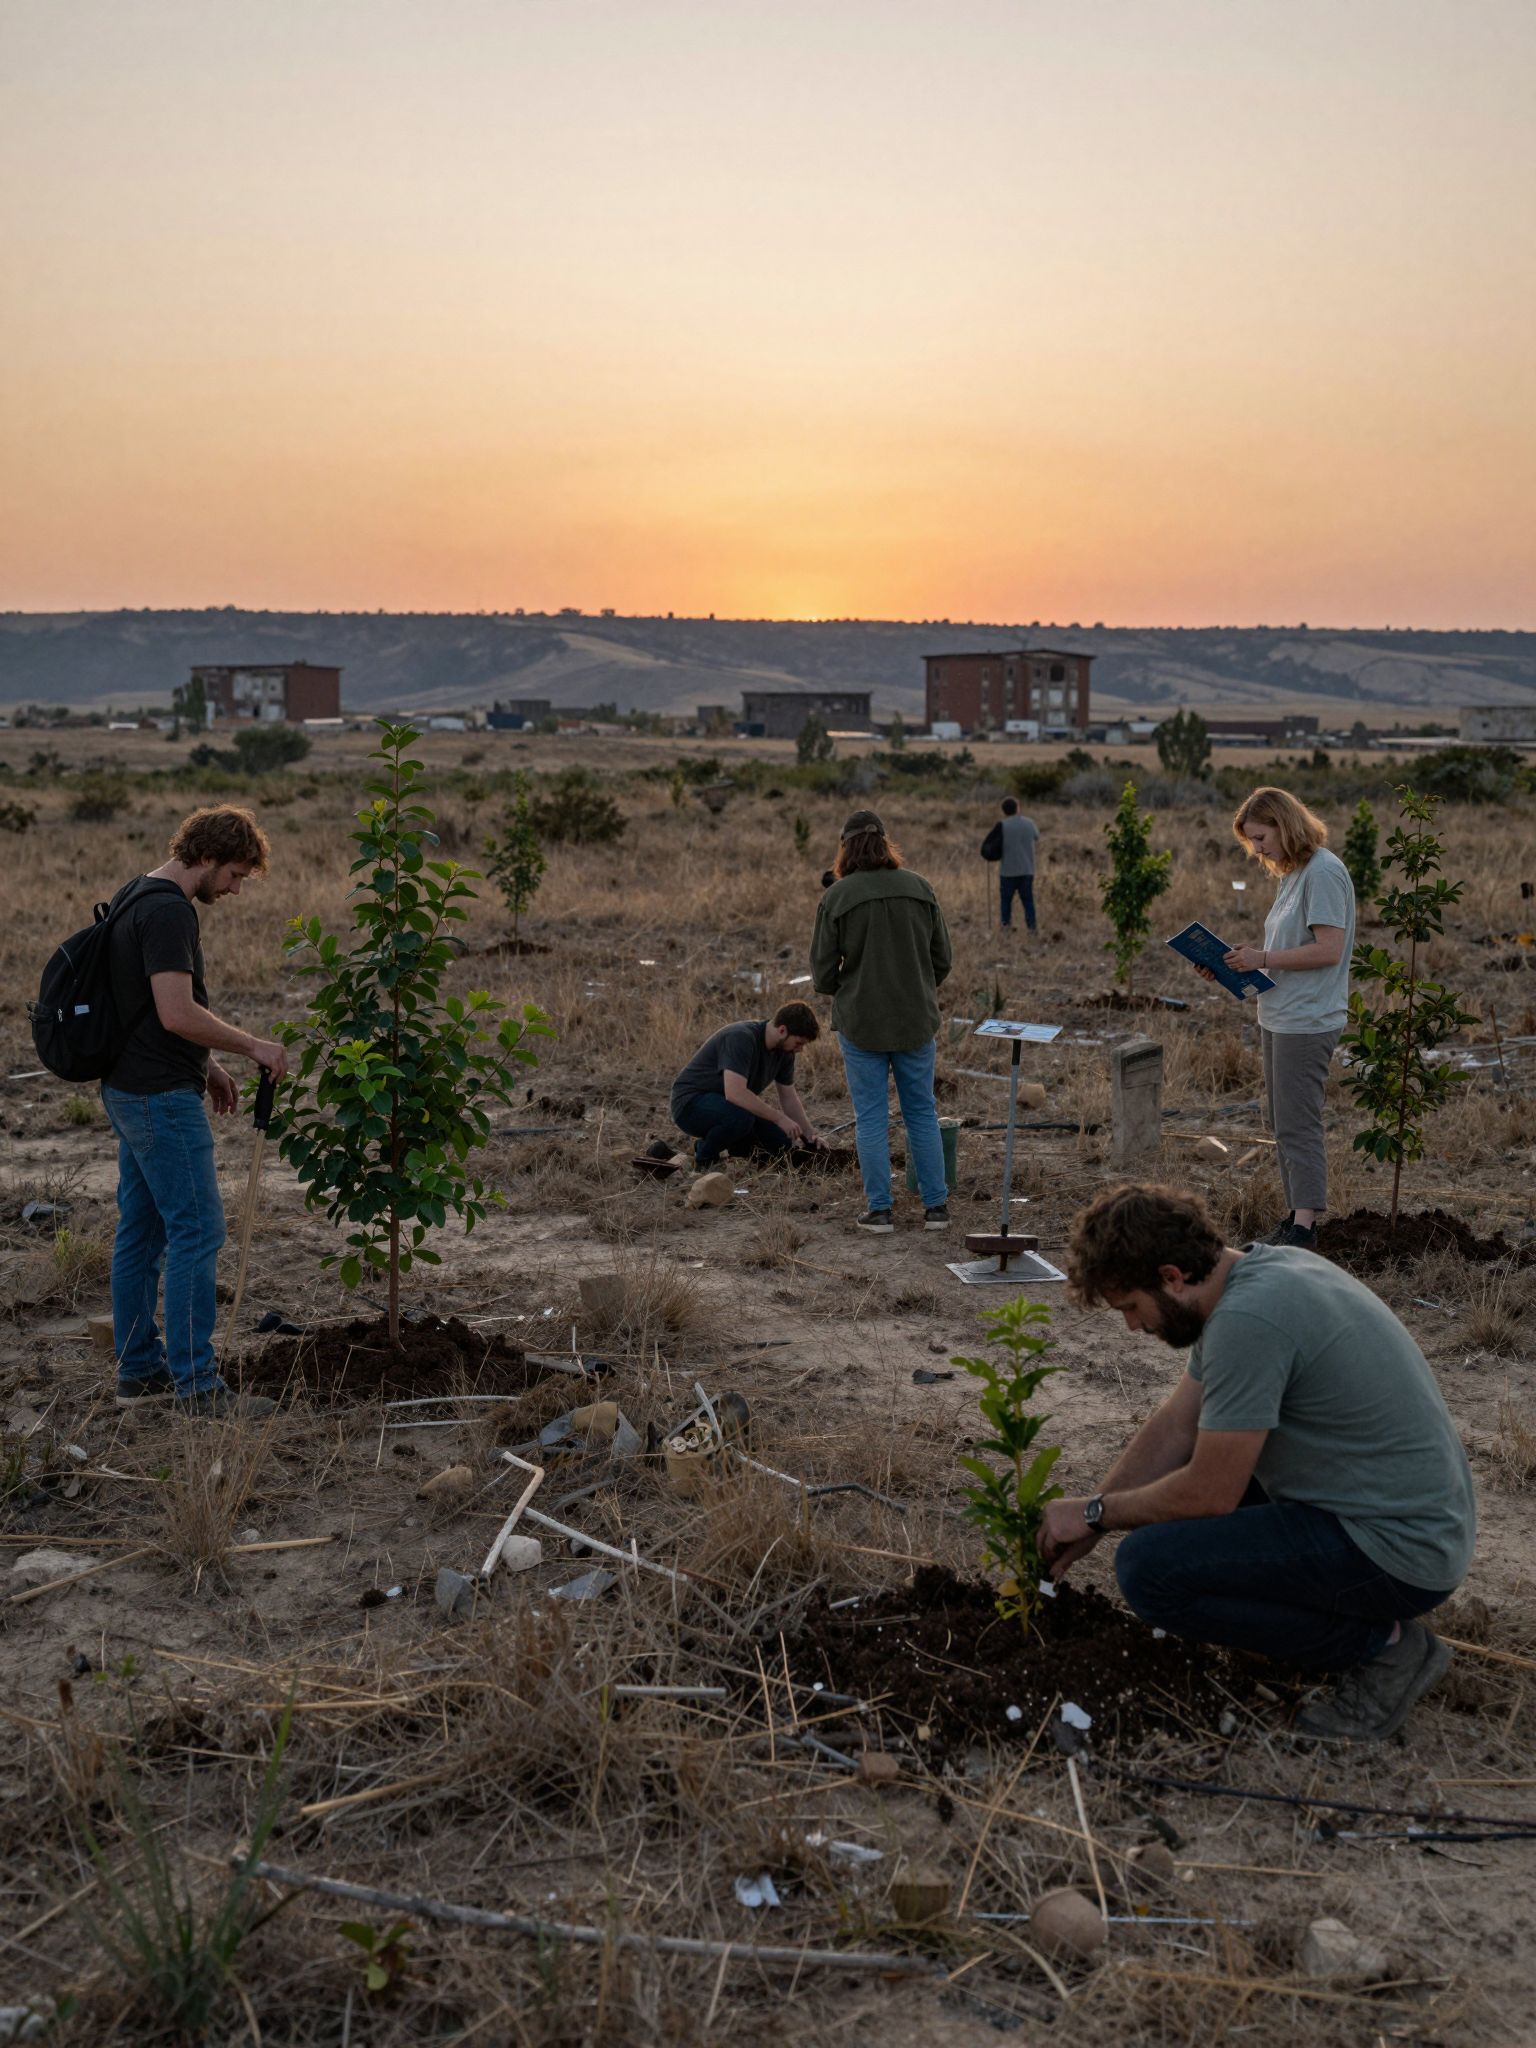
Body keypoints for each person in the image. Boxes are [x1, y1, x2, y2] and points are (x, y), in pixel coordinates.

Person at [1041, 1183, 1475, 1743]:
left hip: (1399, 1549)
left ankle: (1387, 1649)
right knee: (1170, 1522)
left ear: (1171, 1277)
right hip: (1391, 1512)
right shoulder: (1257, 1275)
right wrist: (1093, 1524)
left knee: (1150, 1573)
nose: (1132, 1326)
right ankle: (1322, 1626)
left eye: (1130, 1306)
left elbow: (1210, 1493)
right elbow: (1178, 1425)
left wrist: (1099, 1512)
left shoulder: (1251, 1321)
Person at [101, 806, 289, 1419]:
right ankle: (197, 1387)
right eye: (234, 875)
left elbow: (143, 1008)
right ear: (207, 857)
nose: (234, 890)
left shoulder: (136, 893)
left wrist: (205, 1067)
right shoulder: (169, 911)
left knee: (143, 1230)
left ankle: (140, 1371)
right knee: (198, 1229)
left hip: (132, 1086)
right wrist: (252, 1044)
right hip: (158, 1098)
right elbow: (177, 1013)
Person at [1219, 786, 1355, 1249]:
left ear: (1284, 824)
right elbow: (1282, 952)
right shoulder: (1293, 874)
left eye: (1260, 838)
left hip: (1309, 1018)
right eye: (1252, 842)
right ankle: (1295, 1216)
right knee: (1282, 1119)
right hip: (1279, 1013)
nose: (1257, 850)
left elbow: (1328, 949)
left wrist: (1261, 958)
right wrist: (1233, 964)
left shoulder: (1324, 873)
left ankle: (1305, 1227)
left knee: (1298, 1121)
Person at [810, 809, 953, 1232]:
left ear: (846, 848)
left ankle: (880, 1210)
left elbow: (821, 973)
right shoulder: (920, 888)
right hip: (915, 1020)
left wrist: (850, 989)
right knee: (921, 1113)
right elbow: (942, 959)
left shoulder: (837, 896)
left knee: (870, 1117)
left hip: (861, 1023)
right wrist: (920, 988)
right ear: (886, 843)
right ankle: (937, 1208)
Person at [670, 1001, 825, 1168]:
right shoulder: (741, 1037)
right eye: (799, 1043)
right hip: (690, 1104)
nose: (800, 1049)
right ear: (782, 1030)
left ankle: (717, 1145)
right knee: (740, 1119)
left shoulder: (785, 1053)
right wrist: (779, 1117)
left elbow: (788, 1097)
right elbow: (735, 1093)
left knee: (781, 1143)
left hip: (728, 1107)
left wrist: (810, 1136)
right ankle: (704, 1160)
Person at [980, 797, 1040, 931]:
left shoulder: (1002, 825)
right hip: (1027, 870)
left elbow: (989, 845)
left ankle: (1005, 928)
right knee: (1028, 902)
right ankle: (1032, 929)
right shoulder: (1029, 823)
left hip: (1007, 871)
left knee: (1006, 903)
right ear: (1017, 808)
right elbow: (1037, 836)